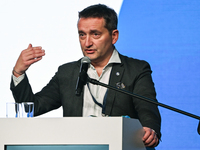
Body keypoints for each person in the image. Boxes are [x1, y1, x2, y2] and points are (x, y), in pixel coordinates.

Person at [10, 4, 161, 149]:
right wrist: (19, 72)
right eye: (82, 35)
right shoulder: (67, 72)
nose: (87, 43)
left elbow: (148, 111)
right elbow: (31, 108)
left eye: (95, 34)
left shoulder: (136, 69)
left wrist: (150, 130)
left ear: (114, 36)